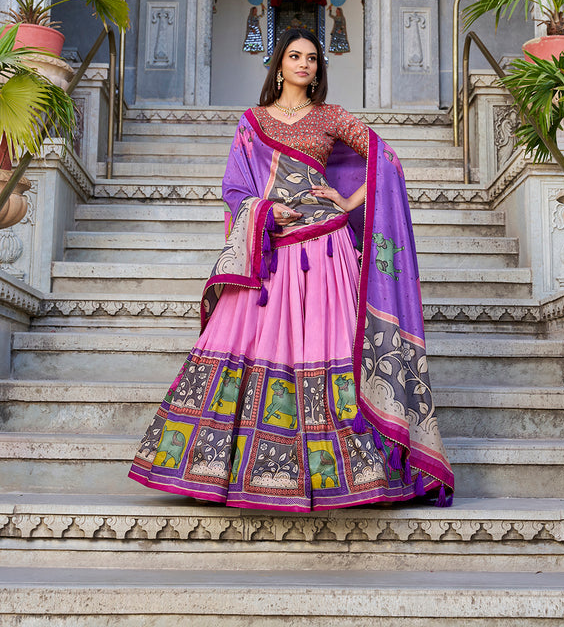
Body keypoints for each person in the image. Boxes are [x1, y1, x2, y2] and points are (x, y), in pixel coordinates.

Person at [129, 27, 454, 511]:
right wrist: (263, 211)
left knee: (330, 345)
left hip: (326, 248)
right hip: (272, 246)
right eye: (295, 56)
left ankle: (355, 475)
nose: (305, 64)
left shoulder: (329, 117)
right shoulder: (252, 121)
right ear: (279, 64)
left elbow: (386, 159)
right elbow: (236, 190)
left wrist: (347, 201)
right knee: (241, 343)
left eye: (312, 58)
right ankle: (226, 469)